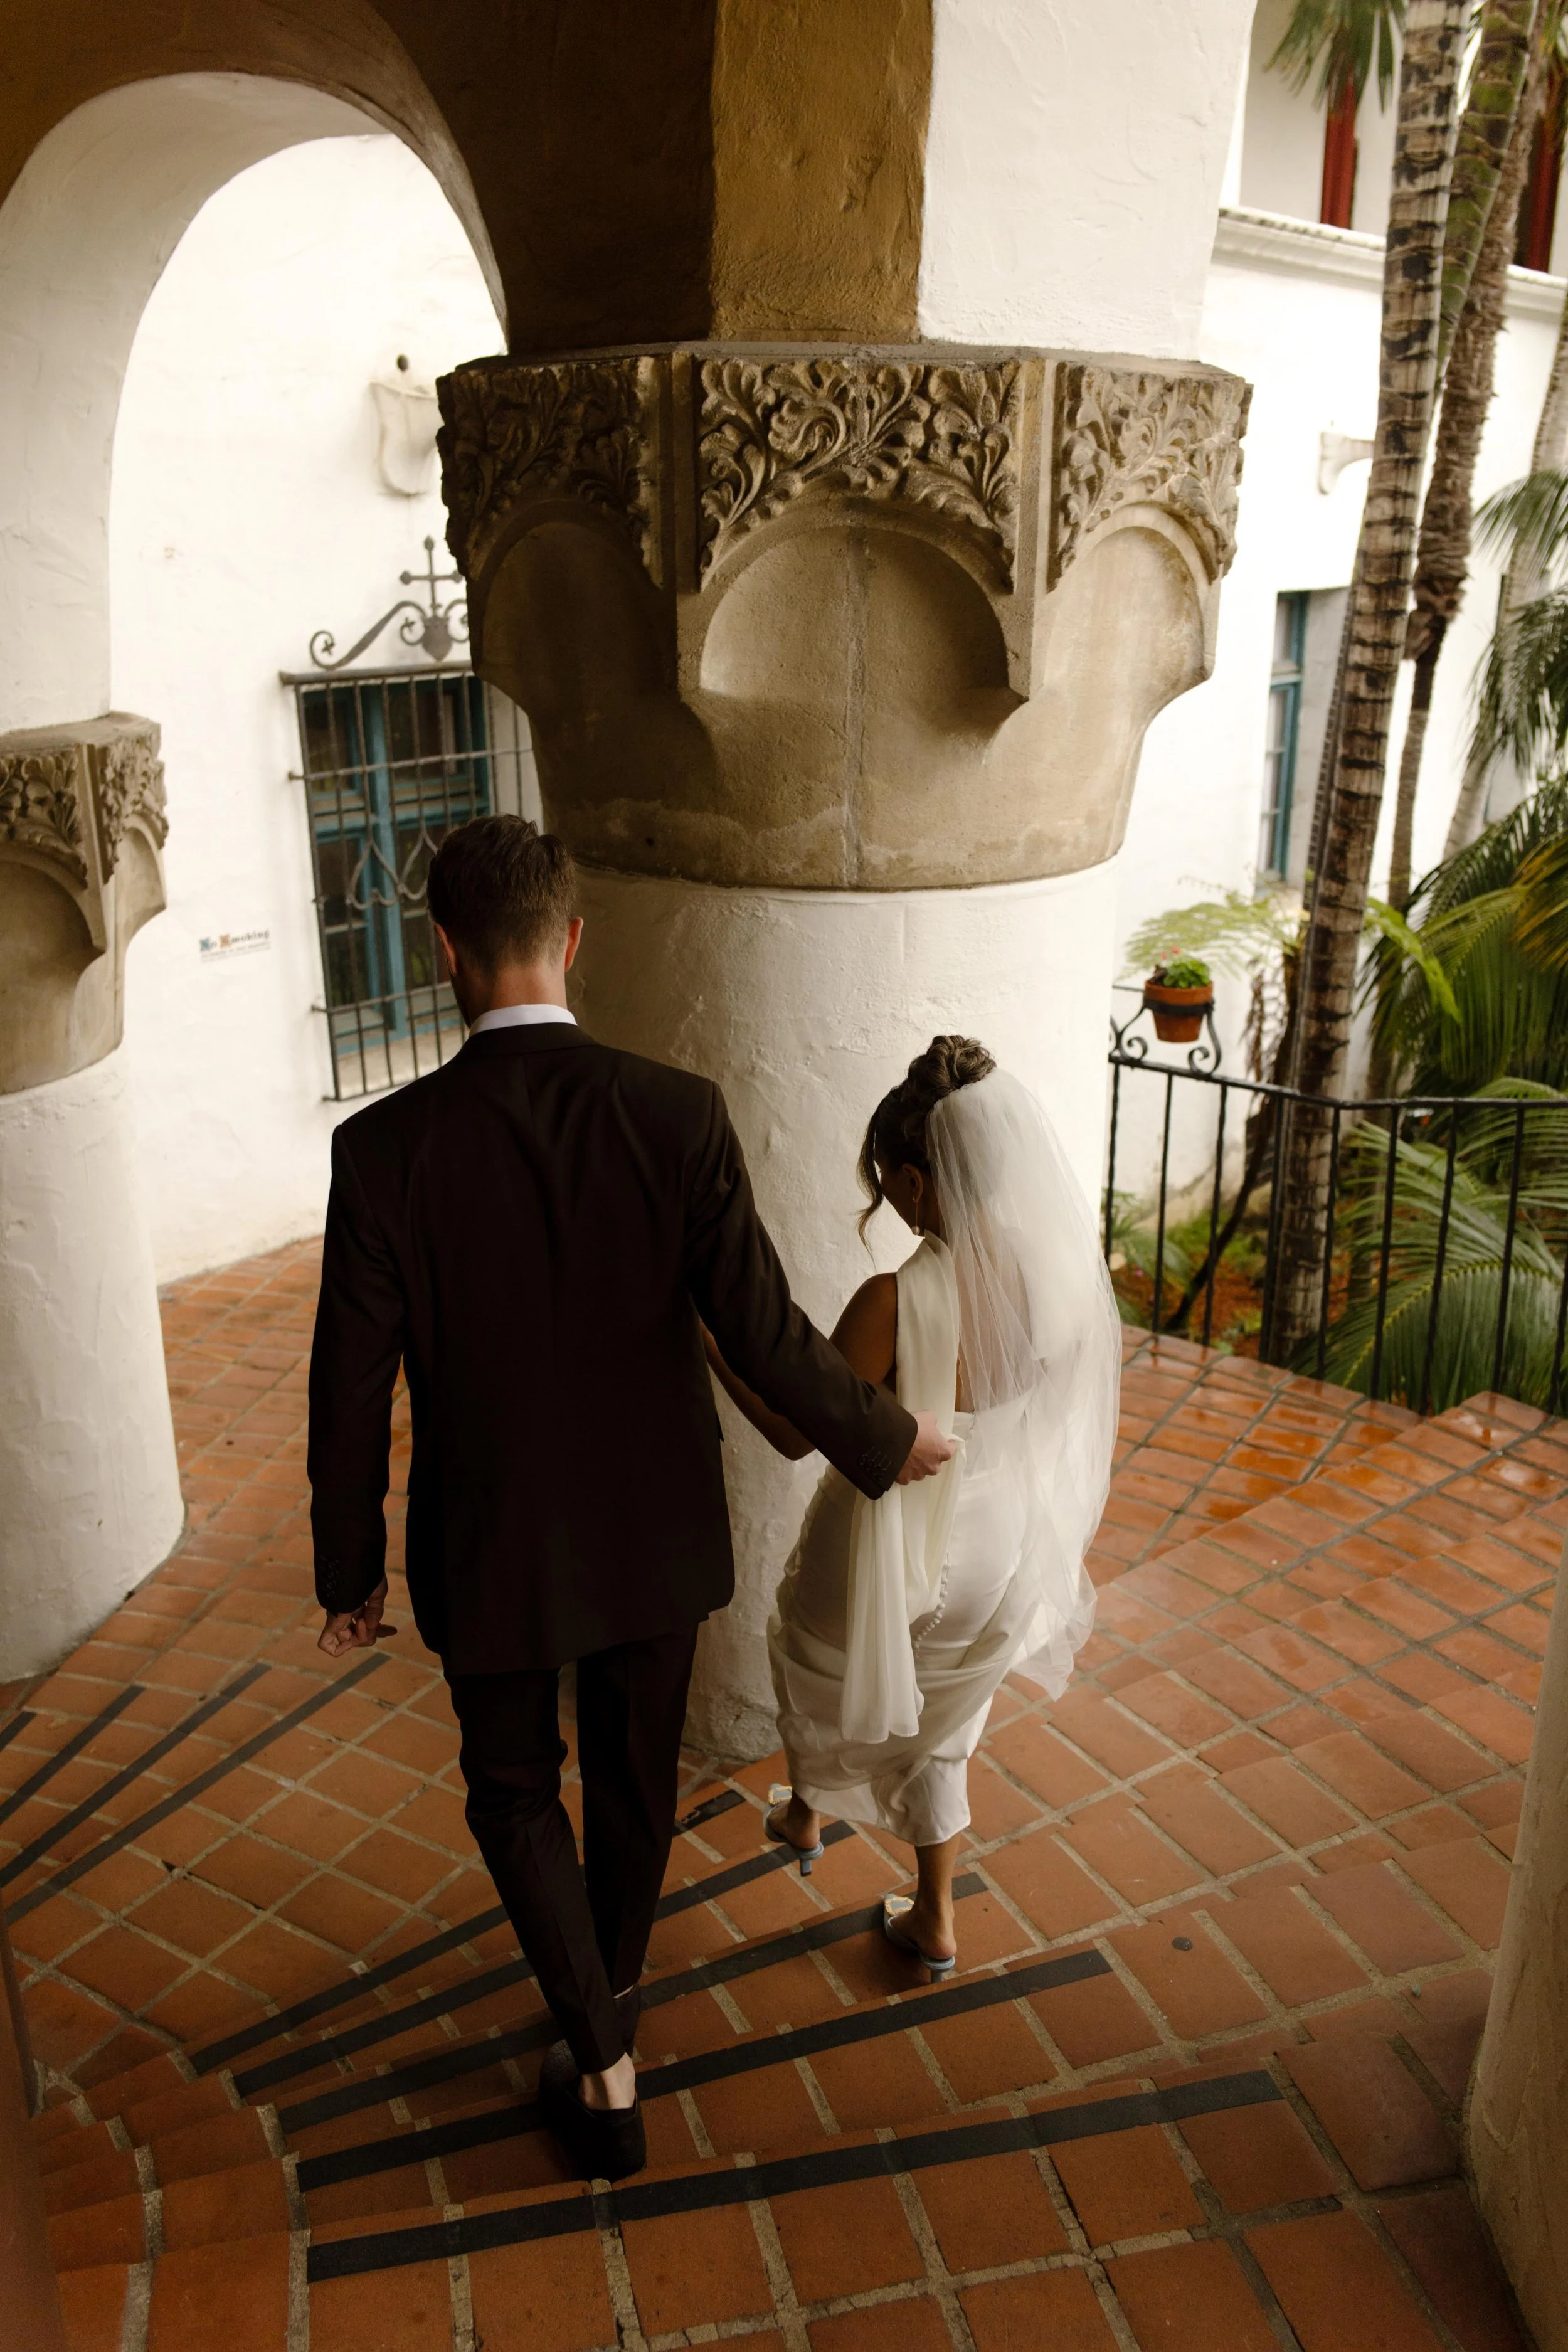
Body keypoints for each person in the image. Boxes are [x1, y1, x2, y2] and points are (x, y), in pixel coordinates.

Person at [305, 815, 952, 2183]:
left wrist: (347, 1563)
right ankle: (608, 2025)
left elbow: (348, 1388)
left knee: (508, 1793)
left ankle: (599, 2053)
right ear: (573, 942)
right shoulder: (676, 1116)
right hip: (652, 1533)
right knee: (632, 1788)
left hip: (487, 1545)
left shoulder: (381, 1152)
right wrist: (882, 1438)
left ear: (445, 955)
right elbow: (767, 1331)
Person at [706, 1037, 1120, 1978]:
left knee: (808, 1651)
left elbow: (789, 1428)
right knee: (941, 1717)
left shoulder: (894, 1298)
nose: (884, 1190)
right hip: (1000, 1547)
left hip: (897, 1542)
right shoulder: (1050, 1272)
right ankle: (925, 1909)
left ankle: (810, 1806)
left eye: (889, 1175)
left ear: (918, 1181)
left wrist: (709, 1340)